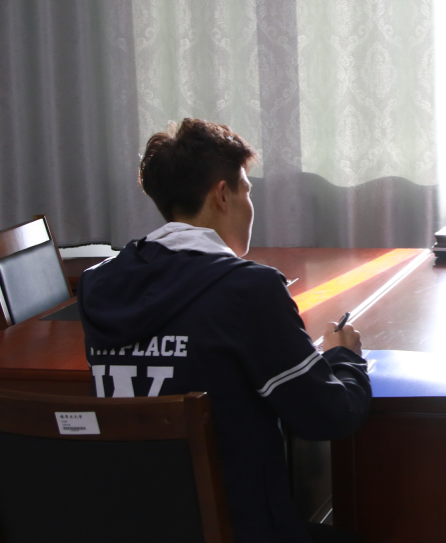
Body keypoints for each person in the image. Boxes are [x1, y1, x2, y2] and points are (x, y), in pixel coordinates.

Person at [78, 118, 372, 543]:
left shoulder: (98, 284)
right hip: (240, 528)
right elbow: (329, 416)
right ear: (222, 195)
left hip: (136, 523)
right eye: (246, 191)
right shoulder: (248, 289)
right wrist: (344, 356)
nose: (250, 206)